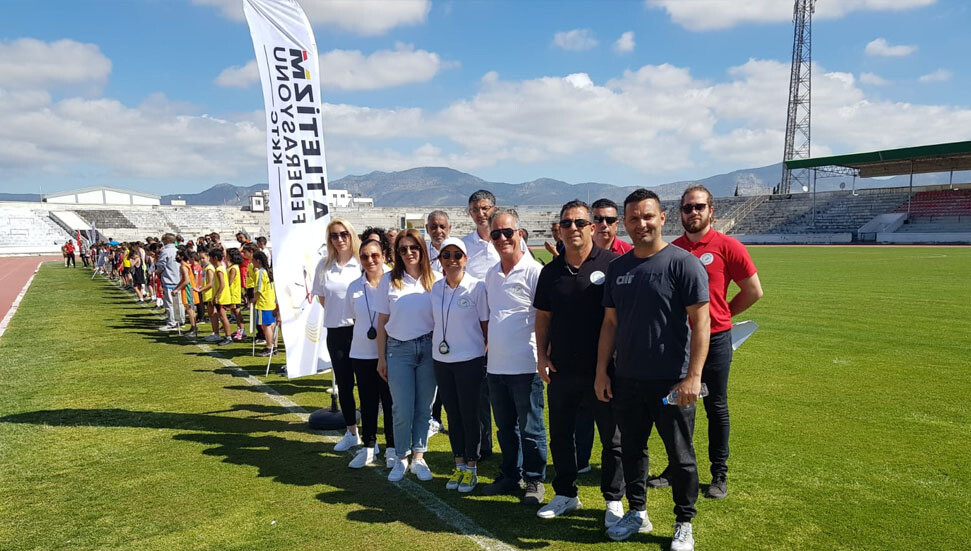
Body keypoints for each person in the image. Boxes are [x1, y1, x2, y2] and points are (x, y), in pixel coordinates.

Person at [594, 188, 710, 550]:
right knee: (631, 449)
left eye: (647, 216)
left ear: (662, 218)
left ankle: (684, 522)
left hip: (672, 381)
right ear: (625, 223)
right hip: (628, 379)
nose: (641, 223)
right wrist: (602, 371)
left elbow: (701, 323)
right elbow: (609, 324)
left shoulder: (682, 263)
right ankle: (638, 512)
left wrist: (693, 377)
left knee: (681, 455)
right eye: (633, 218)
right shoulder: (618, 268)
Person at [645, 185, 763, 499]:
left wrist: (721, 315)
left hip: (715, 339)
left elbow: (754, 290)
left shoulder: (728, 246)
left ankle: (718, 474)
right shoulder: (672, 250)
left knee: (716, 406)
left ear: (711, 210)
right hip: (680, 341)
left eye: (699, 207)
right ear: (680, 213)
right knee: (678, 406)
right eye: (687, 208)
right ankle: (677, 467)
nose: (693, 212)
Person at [533, 200, 625, 526]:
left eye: (579, 223)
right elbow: (543, 318)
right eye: (566, 223)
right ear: (559, 229)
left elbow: (618, 320)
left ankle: (613, 499)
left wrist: (606, 368)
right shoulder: (551, 272)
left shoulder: (612, 265)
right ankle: (565, 493)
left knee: (612, 439)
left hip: (604, 370)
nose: (573, 228)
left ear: (591, 228)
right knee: (561, 435)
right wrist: (542, 356)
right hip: (562, 369)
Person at [480, 208, 547, 505]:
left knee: (531, 427)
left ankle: (534, 479)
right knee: (505, 427)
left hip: (525, 364)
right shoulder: (491, 274)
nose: (502, 238)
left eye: (508, 232)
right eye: (496, 234)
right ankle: (510, 474)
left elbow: (545, 319)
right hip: (496, 366)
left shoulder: (534, 271)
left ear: (519, 234)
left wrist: (543, 358)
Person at [374, 229, 441, 482]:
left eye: (414, 247)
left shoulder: (436, 279)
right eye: (403, 249)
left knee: (424, 408)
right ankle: (401, 457)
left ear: (422, 249)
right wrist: (381, 357)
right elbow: (382, 321)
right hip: (398, 350)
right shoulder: (389, 280)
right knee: (401, 409)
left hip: (429, 349)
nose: (409, 253)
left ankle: (419, 457)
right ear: (397, 253)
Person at [431, 237, 489, 494]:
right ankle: (459, 464)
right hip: (442, 361)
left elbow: (486, 327)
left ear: (466, 259)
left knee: (470, 415)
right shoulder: (436, 288)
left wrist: (482, 356)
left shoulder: (477, 287)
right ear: (440, 259)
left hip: (470, 361)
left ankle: (472, 467)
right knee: (452, 415)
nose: (452, 260)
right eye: (446, 255)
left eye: (457, 255)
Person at [313, 218, 364, 452]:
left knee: (367, 385)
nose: (340, 239)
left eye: (344, 234)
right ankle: (351, 432)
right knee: (344, 385)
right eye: (334, 235)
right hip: (336, 331)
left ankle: (371, 436)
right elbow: (323, 298)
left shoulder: (361, 263)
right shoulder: (324, 265)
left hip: (361, 331)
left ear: (351, 235)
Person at [345, 238, 395, 468]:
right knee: (367, 402)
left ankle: (392, 447)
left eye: (374, 255)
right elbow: (355, 319)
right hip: (362, 354)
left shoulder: (394, 281)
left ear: (383, 256)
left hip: (389, 353)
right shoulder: (354, 287)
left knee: (391, 402)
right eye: (364, 256)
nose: (370, 260)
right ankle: (369, 446)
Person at [461, 189, 501, 461]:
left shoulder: (508, 240)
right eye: (475, 209)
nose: (480, 214)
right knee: (479, 393)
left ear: (494, 208)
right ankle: (483, 446)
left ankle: (514, 449)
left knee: (507, 391)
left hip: (505, 326)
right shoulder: (465, 245)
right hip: (476, 329)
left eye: (485, 208)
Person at [424, 210, 452, 438]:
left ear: (449, 228)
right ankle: (432, 417)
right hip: (428, 319)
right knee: (432, 372)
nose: (438, 231)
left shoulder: (457, 250)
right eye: (433, 226)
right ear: (427, 229)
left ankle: (444, 416)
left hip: (452, 319)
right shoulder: (421, 254)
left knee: (448, 371)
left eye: (442, 226)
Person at [252, 251, 279, 357]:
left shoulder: (260, 272)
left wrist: (253, 299)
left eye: (253, 260)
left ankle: (269, 347)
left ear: (258, 261)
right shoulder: (268, 271)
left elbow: (259, 289)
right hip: (271, 301)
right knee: (272, 325)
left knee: (266, 326)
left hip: (263, 302)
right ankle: (274, 346)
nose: (252, 262)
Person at [156, 234, 183, 331]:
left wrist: (158, 272)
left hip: (169, 279)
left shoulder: (165, 251)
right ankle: (180, 321)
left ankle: (172, 322)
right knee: (178, 303)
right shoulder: (177, 250)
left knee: (170, 303)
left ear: (166, 241)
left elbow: (161, 265)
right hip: (179, 280)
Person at [209, 248, 235, 346]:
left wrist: (216, 296)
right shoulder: (220, 268)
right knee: (222, 317)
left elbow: (222, 284)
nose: (209, 260)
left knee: (223, 318)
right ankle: (227, 336)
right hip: (222, 297)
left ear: (215, 258)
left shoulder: (219, 269)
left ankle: (228, 337)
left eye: (210, 258)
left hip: (222, 298)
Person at [174, 249, 199, 338]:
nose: (176, 256)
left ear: (182, 256)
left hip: (189, 289)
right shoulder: (184, 266)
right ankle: (193, 327)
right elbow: (183, 279)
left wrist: (177, 289)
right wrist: (177, 288)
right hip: (187, 288)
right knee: (189, 308)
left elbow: (186, 280)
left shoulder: (184, 266)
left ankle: (194, 327)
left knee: (190, 308)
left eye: (178, 255)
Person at [226, 248, 245, 341]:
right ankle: (239, 329)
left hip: (234, 293)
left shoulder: (233, 268)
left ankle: (242, 330)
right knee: (235, 312)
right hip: (232, 293)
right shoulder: (232, 267)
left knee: (237, 312)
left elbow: (230, 281)